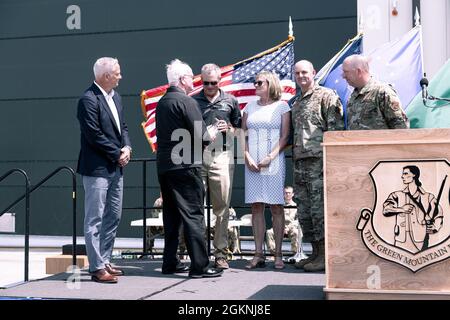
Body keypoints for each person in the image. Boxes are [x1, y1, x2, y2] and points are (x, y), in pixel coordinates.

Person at [155, 59, 223, 278]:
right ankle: (200, 267)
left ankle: (170, 262)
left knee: (171, 217)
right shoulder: (187, 102)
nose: (194, 80)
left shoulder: (162, 102)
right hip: (186, 166)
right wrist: (212, 133)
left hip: (165, 167)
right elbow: (203, 136)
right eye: (191, 76)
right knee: (194, 215)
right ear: (183, 79)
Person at [77, 57, 132, 283]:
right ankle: (97, 267)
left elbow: (123, 127)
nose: (120, 76)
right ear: (106, 76)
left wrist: (127, 147)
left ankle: (105, 259)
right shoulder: (88, 100)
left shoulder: (115, 97)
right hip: (97, 169)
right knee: (95, 219)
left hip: (115, 168)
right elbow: (94, 135)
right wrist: (117, 153)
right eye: (117, 73)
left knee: (113, 216)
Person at [291, 60, 344, 272]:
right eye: (297, 73)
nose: (301, 76)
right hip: (300, 163)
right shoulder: (296, 102)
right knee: (304, 211)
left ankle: (324, 256)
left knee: (319, 210)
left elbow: (335, 130)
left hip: (319, 162)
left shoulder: (326, 96)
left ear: (313, 73)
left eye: (305, 72)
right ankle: (314, 253)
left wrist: (331, 162)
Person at [193, 63, 241, 269]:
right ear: (200, 81)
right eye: (206, 83)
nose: (210, 87)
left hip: (222, 156)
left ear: (220, 81)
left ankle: (220, 254)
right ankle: (198, 253)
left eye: (214, 83)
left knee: (221, 207)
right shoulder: (193, 100)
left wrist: (229, 128)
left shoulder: (230, 100)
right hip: (197, 154)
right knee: (195, 207)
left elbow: (239, 130)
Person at [242, 70, 290, 270]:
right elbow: (241, 134)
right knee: (256, 207)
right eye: (255, 82)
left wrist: (270, 157)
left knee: (276, 207)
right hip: (252, 163)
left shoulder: (282, 106)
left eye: (259, 82)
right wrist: (247, 157)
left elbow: (285, 136)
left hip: (274, 161)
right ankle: (258, 254)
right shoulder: (249, 106)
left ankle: (277, 254)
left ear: (270, 83)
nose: (256, 85)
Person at [383, 165, 443, 253]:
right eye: (403, 174)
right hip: (401, 238)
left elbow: (439, 214)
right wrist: (401, 209)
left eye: (405, 173)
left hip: (420, 238)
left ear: (414, 175)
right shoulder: (397, 195)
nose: (402, 176)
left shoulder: (428, 197)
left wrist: (435, 227)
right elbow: (386, 210)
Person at [342, 54, 409, 130]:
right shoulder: (353, 96)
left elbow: (400, 127)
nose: (343, 76)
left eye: (346, 72)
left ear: (358, 71)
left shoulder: (382, 92)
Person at [266, 186, 301, 255]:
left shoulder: (296, 206)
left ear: (293, 194)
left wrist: (288, 228)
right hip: (279, 227)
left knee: (296, 232)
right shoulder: (278, 206)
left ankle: (295, 253)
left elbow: (297, 220)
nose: (287, 194)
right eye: (285, 193)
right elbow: (274, 218)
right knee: (269, 232)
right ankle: (274, 253)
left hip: (291, 228)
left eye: (289, 193)